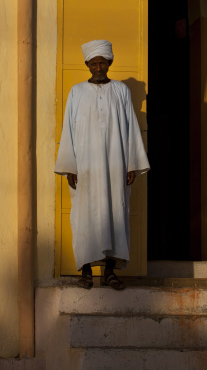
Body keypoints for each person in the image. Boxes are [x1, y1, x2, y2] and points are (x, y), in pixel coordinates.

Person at [55, 40, 150, 290]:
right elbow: (68, 132)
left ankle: (109, 272)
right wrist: (70, 167)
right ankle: (86, 272)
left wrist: (132, 163)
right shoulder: (76, 92)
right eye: (93, 63)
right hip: (85, 169)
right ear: (87, 65)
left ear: (110, 62)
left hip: (115, 166)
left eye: (102, 62)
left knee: (114, 216)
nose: (98, 67)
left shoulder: (121, 91)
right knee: (85, 217)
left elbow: (130, 128)